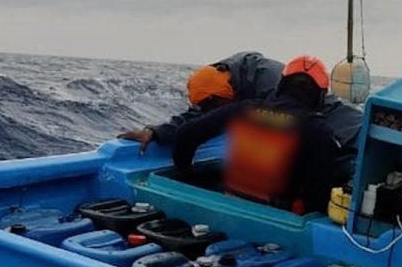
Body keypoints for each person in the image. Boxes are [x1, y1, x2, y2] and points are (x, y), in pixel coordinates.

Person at [119, 51, 362, 181]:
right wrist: (157, 131)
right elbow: (200, 116)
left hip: (343, 128)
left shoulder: (272, 84)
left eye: (216, 105)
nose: (213, 109)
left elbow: (303, 128)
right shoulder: (223, 85)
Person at [171, 56, 337, 215]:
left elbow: (184, 134)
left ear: (281, 85)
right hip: (278, 221)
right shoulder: (318, 131)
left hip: (230, 208)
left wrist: (185, 174)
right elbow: (317, 198)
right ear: (320, 96)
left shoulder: (244, 110)